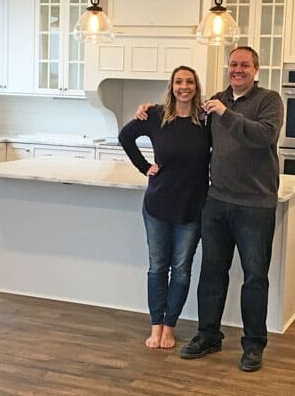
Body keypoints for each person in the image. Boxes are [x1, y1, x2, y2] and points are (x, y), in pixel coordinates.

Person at [135, 46, 284, 371]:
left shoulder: (269, 100)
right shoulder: (215, 100)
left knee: (255, 277)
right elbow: (184, 117)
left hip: (255, 205)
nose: (237, 69)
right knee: (211, 273)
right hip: (216, 202)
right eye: (233, 64)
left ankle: (253, 345)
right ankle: (208, 335)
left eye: (244, 65)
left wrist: (226, 114)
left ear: (256, 69)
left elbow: (264, 136)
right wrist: (152, 109)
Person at [118, 65, 211, 350]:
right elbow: (125, 137)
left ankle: (169, 327)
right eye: (179, 81)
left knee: (181, 269)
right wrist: (145, 167)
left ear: (196, 86)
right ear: (172, 86)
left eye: (190, 82)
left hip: (192, 206)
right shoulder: (156, 115)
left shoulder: (206, 119)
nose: (184, 86)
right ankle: (155, 325)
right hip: (158, 204)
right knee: (157, 268)